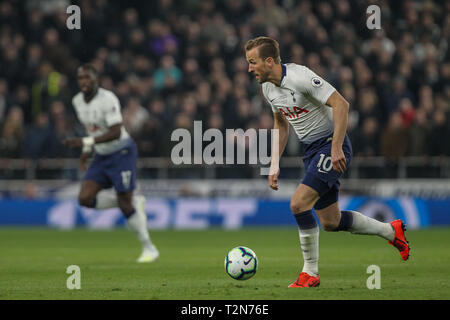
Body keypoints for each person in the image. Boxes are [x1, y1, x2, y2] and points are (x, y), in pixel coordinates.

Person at [245, 36, 409, 288]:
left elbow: (341, 105)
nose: (249, 68)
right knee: (331, 222)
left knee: (298, 204)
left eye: (253, 62)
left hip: (332, 143)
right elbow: (280, 123)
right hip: (312, 151)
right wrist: (274, 163)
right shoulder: (267, 88)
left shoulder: (300, 77)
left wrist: (335, 148)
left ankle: (310, 273)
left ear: (269, 61)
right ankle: (391, 231)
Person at [64, 64, 159, 263]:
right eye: (81, 78)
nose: (84, 81)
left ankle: (149, 248)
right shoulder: (77, 101)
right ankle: (129, 200)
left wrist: (85, 143)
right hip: (101, 155)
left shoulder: (108, 99)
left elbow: (116, 131)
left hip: (121, 152)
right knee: (85, 199)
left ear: (96, 79)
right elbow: (93, 130)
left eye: (88, 77)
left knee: (125, 205)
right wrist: (86, 151)